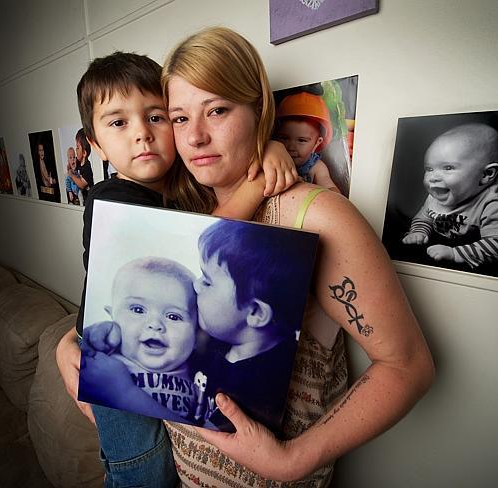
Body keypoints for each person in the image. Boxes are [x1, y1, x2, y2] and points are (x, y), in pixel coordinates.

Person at [157, 26, 434, 486]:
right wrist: (73, 345)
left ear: (260, 110)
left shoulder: (315, 216)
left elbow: (407, 366)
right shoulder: (190, 210)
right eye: (180, 118)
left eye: (218, 110)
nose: (196, 138)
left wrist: (292, 459)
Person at [55, 50, 297, 488]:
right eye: (118, 123)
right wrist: (261, 180)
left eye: (157, 117)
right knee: (142, 471)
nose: (142, 136)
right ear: (94, 143)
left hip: (161, 358)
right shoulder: (111, 197)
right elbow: (215, 229)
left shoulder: (183, 185)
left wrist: (272, 144)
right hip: (114, 359)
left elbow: (234, 157)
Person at [80, 218, 317, 434]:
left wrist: (123, 393)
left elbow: (203, 436)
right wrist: (110, 329)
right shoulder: (223, 335)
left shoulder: (262, 384)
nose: (196, 284)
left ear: (255, 312)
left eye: (207, 280)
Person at [402, 123, 498, 269]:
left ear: (486, 174)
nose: (433, 177)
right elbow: (424, 217)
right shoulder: (438, 195)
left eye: (448, 167)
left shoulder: (496, 203)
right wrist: (418, 231)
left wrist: (455, 253)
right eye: (429, 169)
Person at [80, 257, 199, 419]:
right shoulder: (103, 360)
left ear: (197, 333)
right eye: (137, 310)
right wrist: (95, 337)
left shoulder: (202, 373)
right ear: (112, 317)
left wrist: (123, 392)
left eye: (173, 316)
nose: (155, 324)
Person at [275, 91, 338, 189]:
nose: (291, 147)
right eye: (284, 138)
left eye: (301, 140)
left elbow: (329, 186)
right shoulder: (275, 158)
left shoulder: (316, 167)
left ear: (317, 143)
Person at [69, 128, 95, 204]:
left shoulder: (87, 167)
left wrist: (71, 175)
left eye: (77, 147)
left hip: (89, 199)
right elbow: (71, 165)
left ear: (84, 153)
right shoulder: (78, 162)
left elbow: (82, 184)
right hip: (81, 197)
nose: (75, 150)